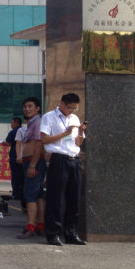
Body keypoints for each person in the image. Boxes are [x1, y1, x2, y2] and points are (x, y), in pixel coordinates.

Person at [41, 93, 87, 246]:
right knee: (55, 198)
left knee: (74, 198)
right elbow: (44, 139)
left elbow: (78, 143)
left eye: (75, 108)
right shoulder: (49, 117)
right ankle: (53, 234)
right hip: (59, 159)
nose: (71, 111)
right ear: (61, 104)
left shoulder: (75, 119)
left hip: (74, 159)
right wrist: (65, 133)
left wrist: (80, 132)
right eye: (69, 108)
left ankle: (71, 233)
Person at [17, 97, 46, 240]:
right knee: (38, 195)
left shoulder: (38, 122)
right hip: (32, 161)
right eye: (25, 106)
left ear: (37, 108)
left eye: (30, 106)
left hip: (33, 162)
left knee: (30, 196)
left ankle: (30, 227)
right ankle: (40, 225)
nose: (26, 109)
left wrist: (32, 165)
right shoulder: (33, 123)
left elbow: (38, 144)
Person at [3, 116, 24, 208]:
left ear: (16, 123)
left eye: (12, 123)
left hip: (15, 157)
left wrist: (3, 143)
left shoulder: (13, 132)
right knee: (22, 176)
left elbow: (8, 142)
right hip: (24, 157)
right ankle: (22, 193)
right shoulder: (24, 130)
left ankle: (16, 194)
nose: (11, 124)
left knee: (15, 176)